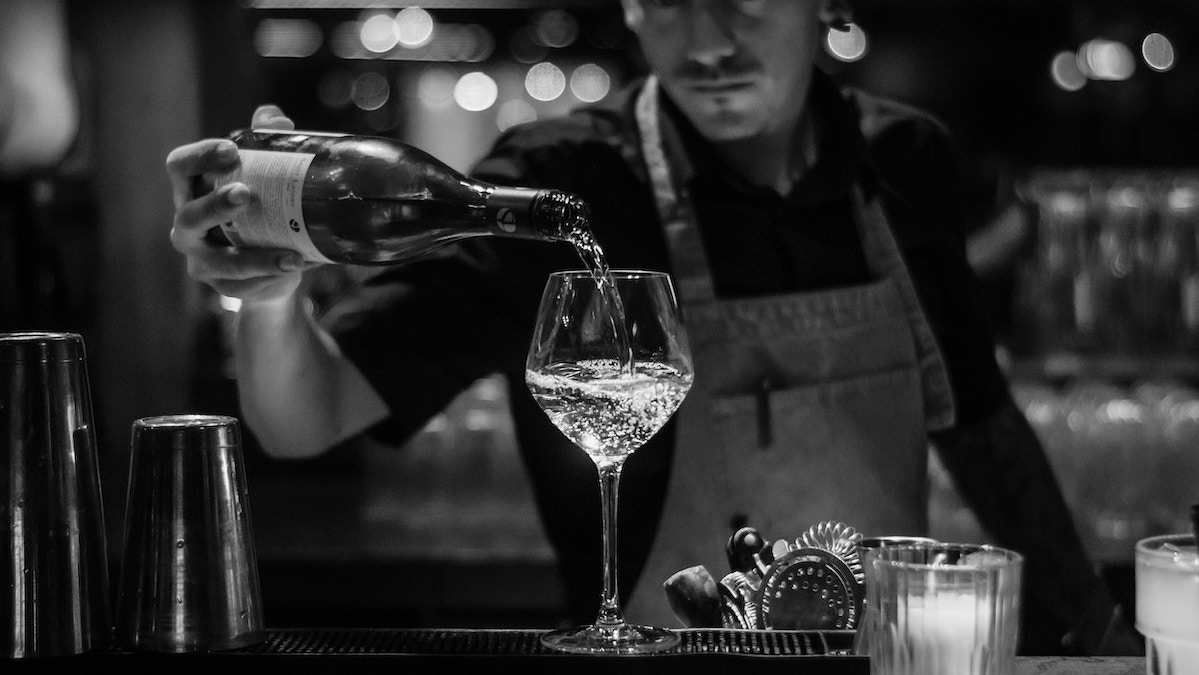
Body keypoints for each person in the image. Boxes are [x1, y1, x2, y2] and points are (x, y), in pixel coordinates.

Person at [167, 0, 1140, 655]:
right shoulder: (560, 183)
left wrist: (1099, 635)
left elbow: (979, 424)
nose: (708, 43)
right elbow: (303, 418)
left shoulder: (904, 161)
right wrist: (268, 295)